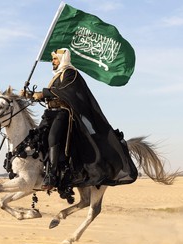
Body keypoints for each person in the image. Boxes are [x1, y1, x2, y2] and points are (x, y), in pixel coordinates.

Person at [21, 48, 137, 191]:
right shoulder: (56, 76)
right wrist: (30, 95)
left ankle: (51, 175)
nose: (53, 61)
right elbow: (48, 95)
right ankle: (39, 170)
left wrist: (43, 93)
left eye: (55, 59)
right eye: (53, 59)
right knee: (36, 138)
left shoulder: (71, 73)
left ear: (63, 59)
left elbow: (66, 91)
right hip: (50, 114)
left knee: (52, 138)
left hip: (64, 114)